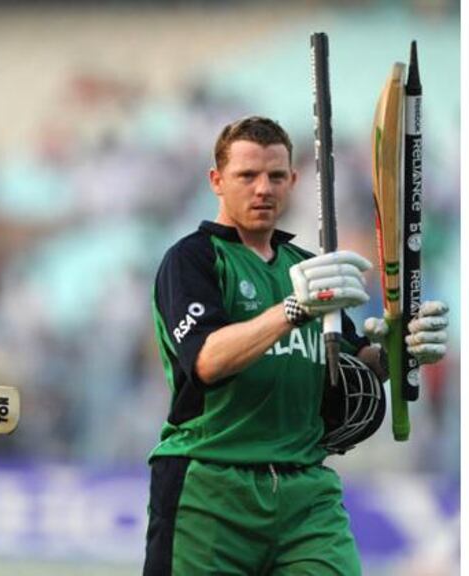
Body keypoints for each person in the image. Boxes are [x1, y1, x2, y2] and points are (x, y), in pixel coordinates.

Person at [142, 116, 449, 575]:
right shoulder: (193, 259)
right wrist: (292, 310)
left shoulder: (308, 265)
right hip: (209, 485)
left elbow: (347, 363)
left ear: (293, 181)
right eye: (247, 175)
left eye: (276, 176)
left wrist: (400, 350)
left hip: (305, 491)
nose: (263, 188)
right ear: (217, 181)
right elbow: (206, 359)